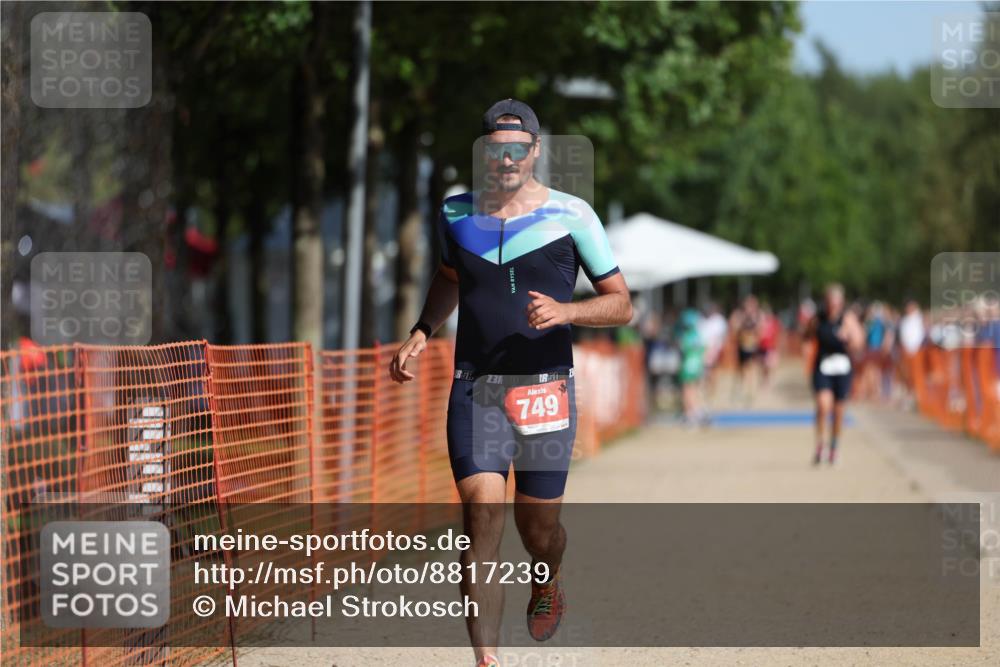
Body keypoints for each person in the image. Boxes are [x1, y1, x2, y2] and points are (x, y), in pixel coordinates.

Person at [388, 99, 631, 667]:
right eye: (498, 149)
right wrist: (423, 329)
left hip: (545, 389)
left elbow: (622, 305)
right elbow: (449, 278)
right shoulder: (455, 214)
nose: (509, 158)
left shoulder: (573, 215)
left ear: (535, 151)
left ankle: (547, 574)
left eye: (519, 148)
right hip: (476, 388)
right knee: (480, 520)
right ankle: (486, 660)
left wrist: (569, 314)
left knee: (538, 531)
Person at [805, 284, 865, 465]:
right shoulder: (818, 319)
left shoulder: (848, 319)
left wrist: (846, 338)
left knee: (839, 412)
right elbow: (807, 336)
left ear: (841, 302)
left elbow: (859, 345)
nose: (833, 305)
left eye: (836, 301)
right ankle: (820, 445)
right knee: (823, 406)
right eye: (830, 301)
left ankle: (834, 446)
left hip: (842, 369)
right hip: (822, 367)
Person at [675, 308, 706, 425]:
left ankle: (690, 413)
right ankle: (695, 412)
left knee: (687, 390)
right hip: (697, 366)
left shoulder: (686, 336)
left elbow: (683, 350)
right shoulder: (697, 335)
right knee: (694, 390)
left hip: (688, 367)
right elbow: (703, 350)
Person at [730, 294, 762, 402]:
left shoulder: (758, 316)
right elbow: (734, 328)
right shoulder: (740, 315)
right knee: (742, 369)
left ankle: (750, 392)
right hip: (742, 346)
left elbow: (760, 331)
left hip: (752, 347)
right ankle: (742, 389)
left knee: (751, 369)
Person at [698, 303, 728, 396]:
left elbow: (721, 336)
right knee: (705, 371)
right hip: (703, 349)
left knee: (711, 370)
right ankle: (707, 388)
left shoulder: (718, 320)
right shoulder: (701, 320)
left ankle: (712, 390)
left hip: (714, 349)